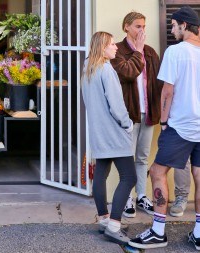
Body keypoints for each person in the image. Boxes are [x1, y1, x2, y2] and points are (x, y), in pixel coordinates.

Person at [129, 6, 200, 250]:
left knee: (157, 172)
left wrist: (165, 121)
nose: (171, 29)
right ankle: (199, 234)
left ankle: (158, 231)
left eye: (173, 25)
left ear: (184, 25)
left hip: (180, 126)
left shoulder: (175, 52)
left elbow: (167, 90)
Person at [81, 31, 136, 245]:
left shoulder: (87, 69)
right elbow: (117, 106)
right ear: (102, 48)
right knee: (129, 177)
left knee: (101, 174)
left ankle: (104, 220)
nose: (116, 48)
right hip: (114, 132)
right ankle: (114, 226)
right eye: (112, 45)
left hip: (98, 132)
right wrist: (127, 123)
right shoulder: (106, 70)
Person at [110, 11, 163, 218]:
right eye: (137, 26)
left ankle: (141, 195)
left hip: (147, 113)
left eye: (143, 26)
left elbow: (158, 83)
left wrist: (160, 110)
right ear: (126, 27)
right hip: (129, 114)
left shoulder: (150, 52)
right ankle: (128, 198)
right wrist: (138, 51)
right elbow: (127, 74)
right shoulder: (118, 50)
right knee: (127, 157)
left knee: (142, 157)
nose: (142, 30)